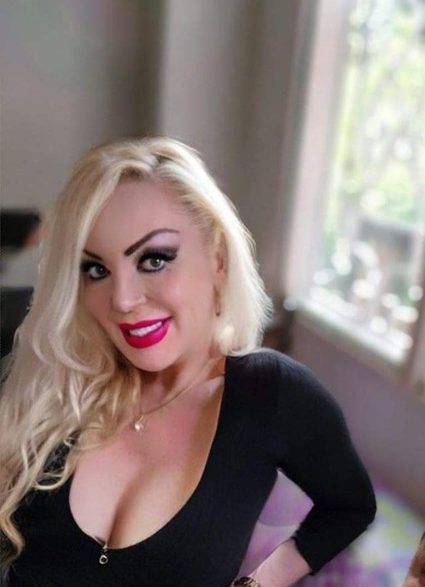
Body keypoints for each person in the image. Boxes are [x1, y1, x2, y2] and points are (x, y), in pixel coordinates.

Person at [0, 137, 376, 586]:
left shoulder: (270, 394)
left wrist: (263, 580)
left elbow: (350, 506)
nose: (122, 300)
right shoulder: (57, 388)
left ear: (217, 258)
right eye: (96, 270)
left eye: (154, 259)